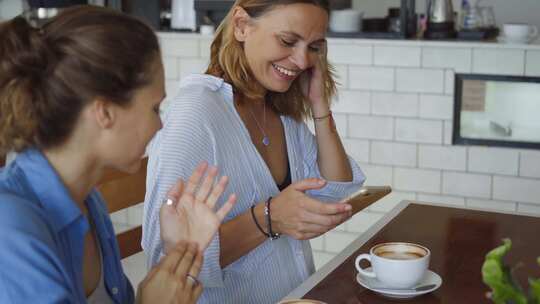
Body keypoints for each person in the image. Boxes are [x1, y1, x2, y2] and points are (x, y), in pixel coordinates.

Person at [0, 6, 236, 304]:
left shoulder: (90, 202)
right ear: (105, 112)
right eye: (154, 108)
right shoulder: (10, 229)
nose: (160, 125)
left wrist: (180, 251)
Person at [143, 0, 366, 303]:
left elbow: (333, 188)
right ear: (241, 25)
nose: (302, 61)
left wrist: (319, 106)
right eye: (288, 41)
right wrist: (269, 218)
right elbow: (165, 261)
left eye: (314, 47)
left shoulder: (275, 109)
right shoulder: (196, 114)